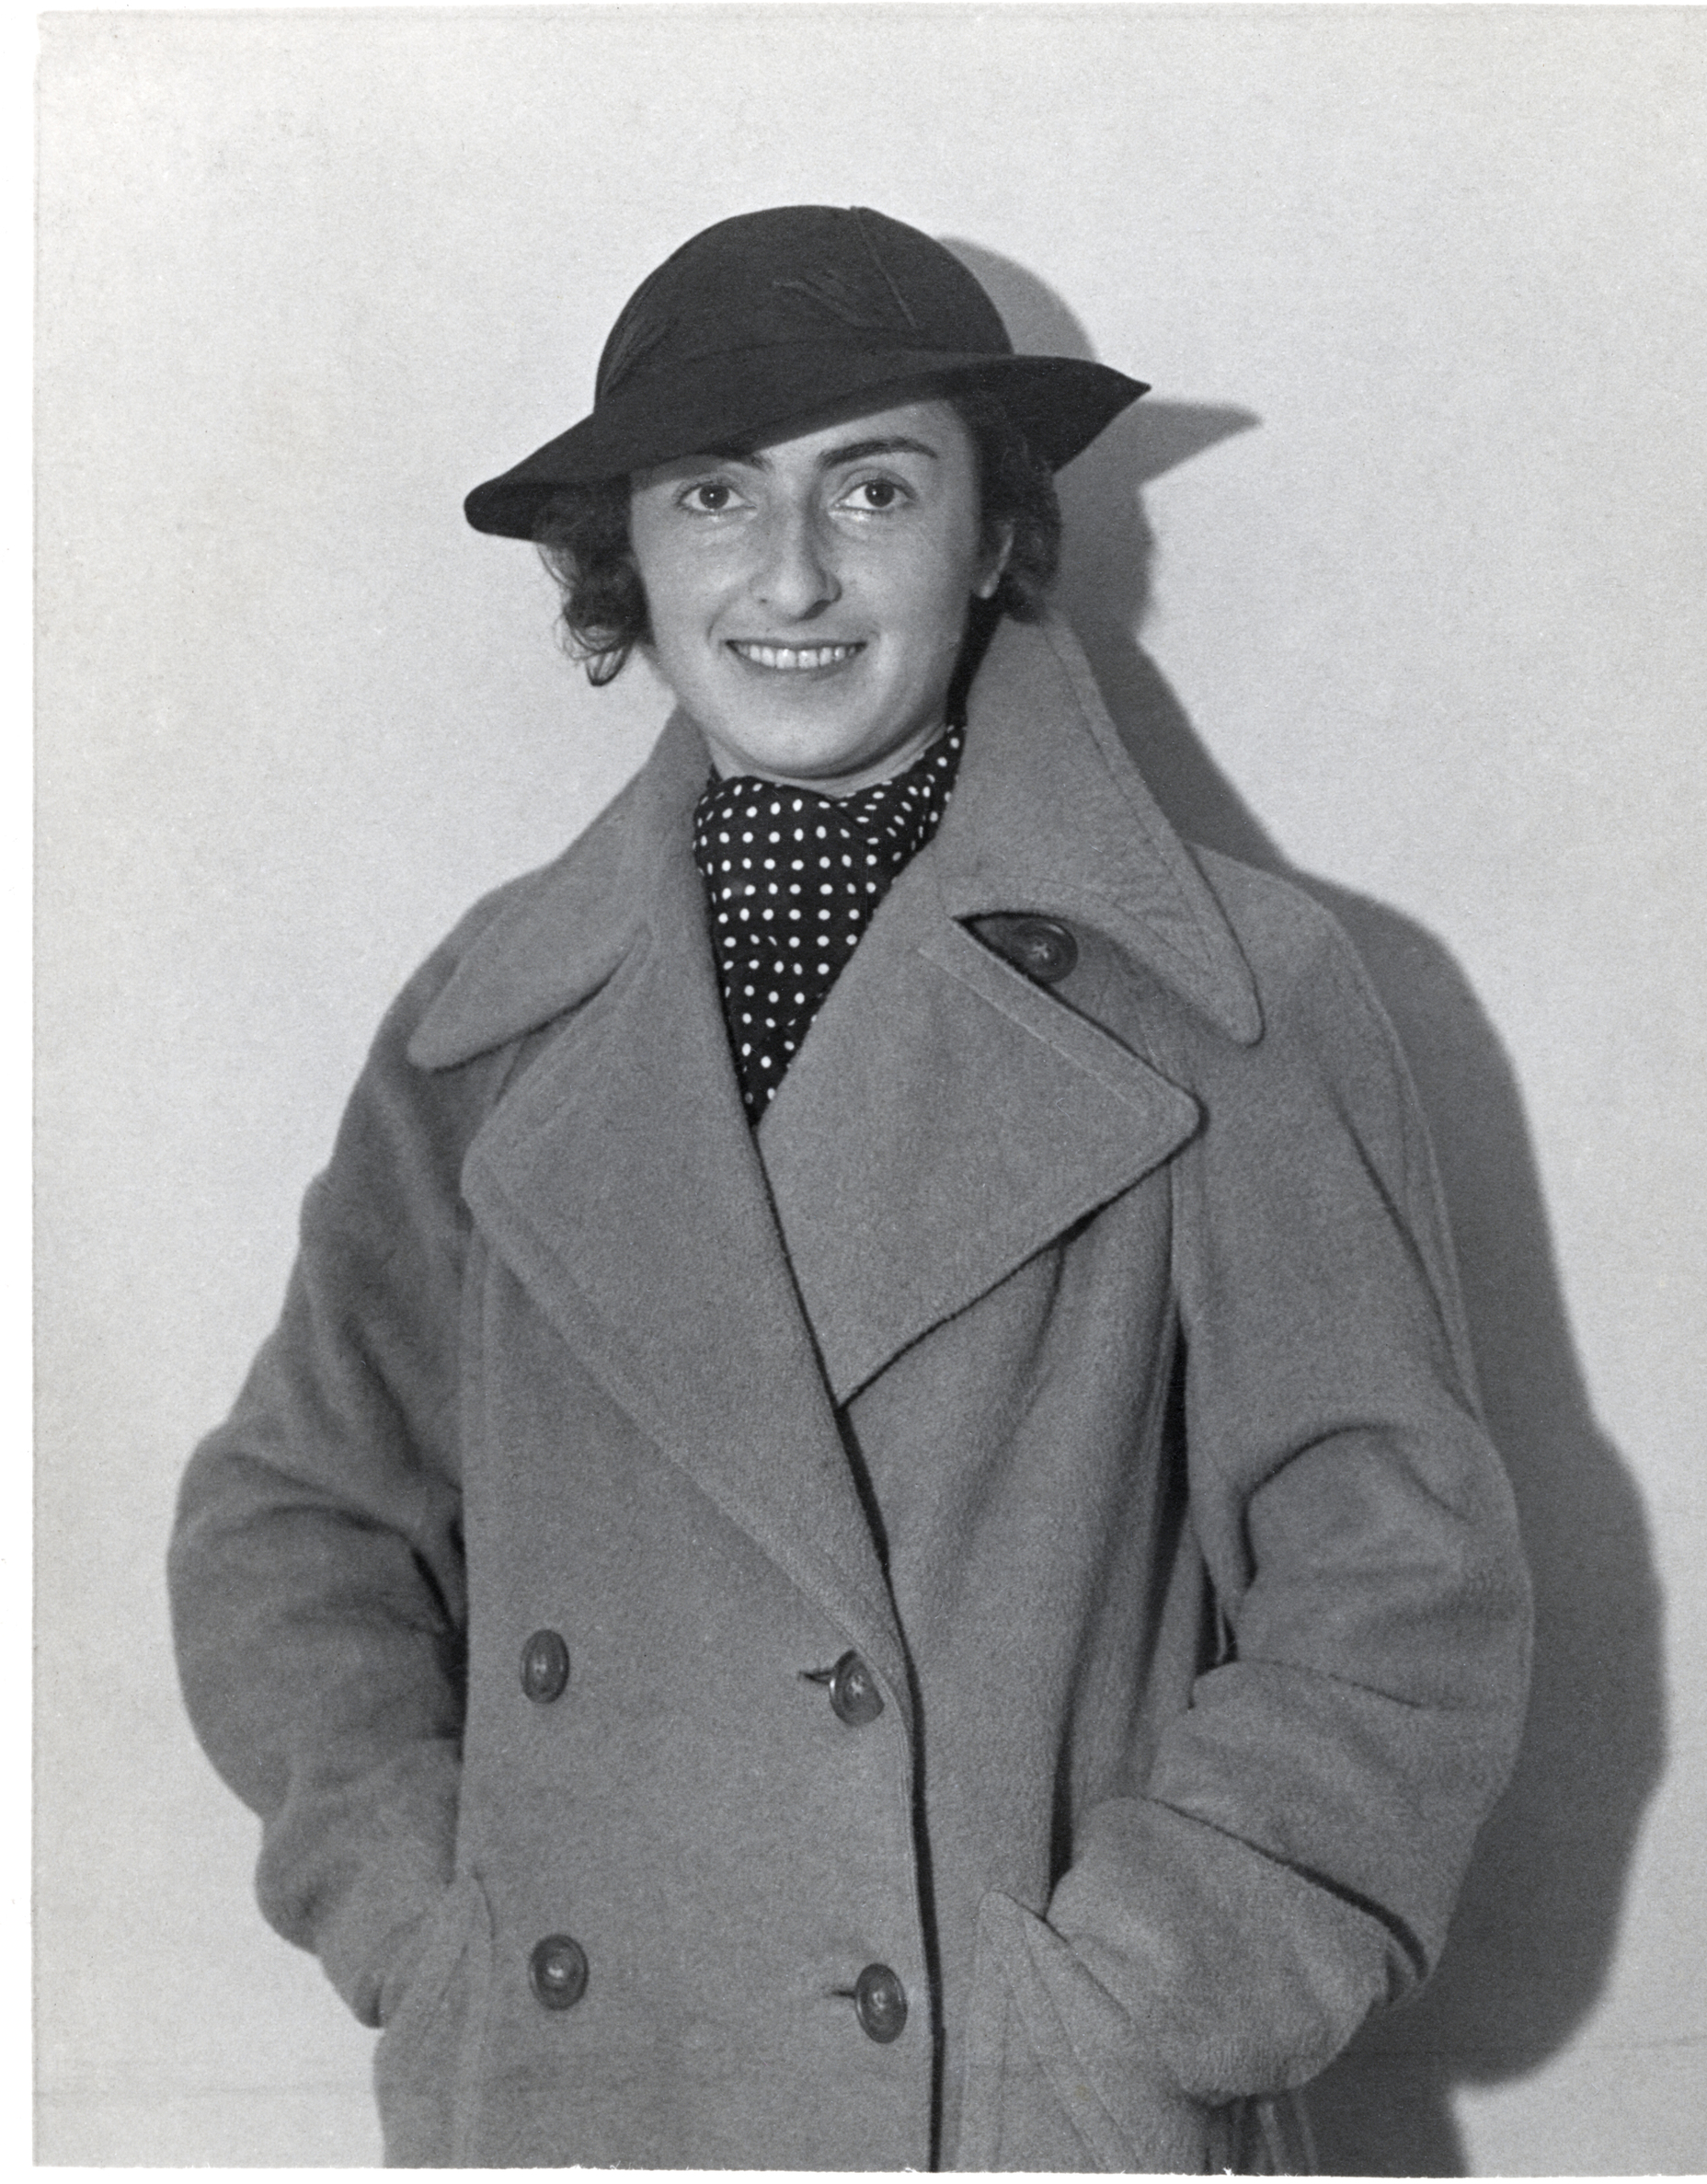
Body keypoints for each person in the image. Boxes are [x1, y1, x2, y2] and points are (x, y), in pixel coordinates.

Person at [168, 204, 1532, 2173]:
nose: (791, 572)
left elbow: (1395, 1571)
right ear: (629, 558)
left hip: (1020, 2114)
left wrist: (1155, 1988)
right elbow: (293, 1521)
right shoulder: (491, 1020)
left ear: (986, 540)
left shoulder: (1231, 993)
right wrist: (425, 1924)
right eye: (715, 494)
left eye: (874, 489)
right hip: (579, 2103)